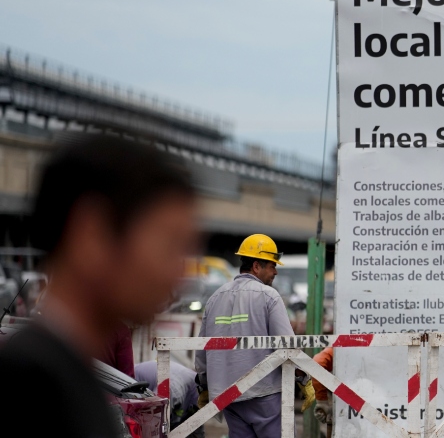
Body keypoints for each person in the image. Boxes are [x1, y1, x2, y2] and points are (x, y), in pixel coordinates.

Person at [0, 134, 198, 437]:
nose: (178, 275)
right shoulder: (32, 393)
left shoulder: (62, 379)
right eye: (168, 246)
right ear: (91, 235)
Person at [196, 234, 294, 438]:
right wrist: (305, 378)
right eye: (271, 266)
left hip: (228, 395)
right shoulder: (268, 295)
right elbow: (287, 346)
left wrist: (204, 384)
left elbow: (202, 348)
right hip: (264, 393)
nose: (275, 271)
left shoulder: (215, 298)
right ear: (256, 266)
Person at [133, 359, 204, 437]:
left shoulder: (196, 386)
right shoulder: (174, 389)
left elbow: (196, 427)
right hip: (128, 384)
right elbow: (153, 417)